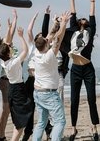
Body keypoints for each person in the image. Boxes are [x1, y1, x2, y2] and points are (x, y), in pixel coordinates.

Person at [65, 0, 99, 141]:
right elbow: (73, 14)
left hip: (88, 69)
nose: (84, 20)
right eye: (81, 19)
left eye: (85, 20)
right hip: (75, 69)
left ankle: (94, 127)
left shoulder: (90, 32)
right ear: (78, 22)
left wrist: (92, 1)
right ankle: (73, 128)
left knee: (91, 99)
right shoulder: (73, 30)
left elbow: (92, 17)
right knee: (74, 100)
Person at [31, 11, 71, 141]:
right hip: (49, 94)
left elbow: (52, 34)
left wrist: (57, 23)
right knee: (60, 121)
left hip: (38, 92)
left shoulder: (37, 52)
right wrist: (64, 23)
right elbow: (58, 38)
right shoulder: (49, 55)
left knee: (41, 122)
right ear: (46, 44)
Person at [0, 12, 37, 141]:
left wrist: (11, 27)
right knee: (22, 118)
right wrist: (21, 37)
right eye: (9, 49)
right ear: (8, 53)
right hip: (18, 89)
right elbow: (25, 51)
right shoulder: (14, 62)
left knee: (18, 118)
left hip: (12, 89)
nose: (11, 48)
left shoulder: (3, 61)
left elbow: (7, 43)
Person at [0, 10, 18, 141]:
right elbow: (9, 36)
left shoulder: (8, 48)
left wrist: (15, 19)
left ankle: (0, 133)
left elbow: (11, 34)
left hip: (9, 80)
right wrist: (10, 27)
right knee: (6, 107)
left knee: (6, 108)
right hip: (6, 80)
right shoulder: (4, 50)